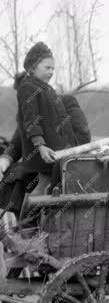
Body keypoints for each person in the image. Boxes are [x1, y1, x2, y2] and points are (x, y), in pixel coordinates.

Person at [0, 42, 78, 214]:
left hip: (57, 153)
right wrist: (40, 146)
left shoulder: (47, 89)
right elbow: (31, 122)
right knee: (41, 191)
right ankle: (25, 228)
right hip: (44, 154)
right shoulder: (28, 88)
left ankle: (34, 226)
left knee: (49, 190)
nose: (51, 72)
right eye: (47, 67)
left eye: (53, 68)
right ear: (33, 67)